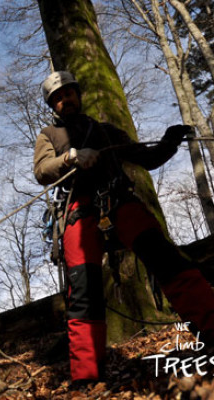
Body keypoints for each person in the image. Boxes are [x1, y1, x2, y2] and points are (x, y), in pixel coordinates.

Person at [34, 71, 214, 385]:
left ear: (78, 94)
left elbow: (146, 158)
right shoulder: (48, 134)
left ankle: (212, 328)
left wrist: (169, 141)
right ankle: (86, 375)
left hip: (118, 199)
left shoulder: (106, 132)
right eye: (58, 98)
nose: (65, 100)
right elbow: (42, 170)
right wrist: (71, 157)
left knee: (168, 261)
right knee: (84, 291)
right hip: (77, 212)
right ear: (53, 105)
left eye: (69, 93)